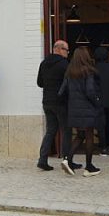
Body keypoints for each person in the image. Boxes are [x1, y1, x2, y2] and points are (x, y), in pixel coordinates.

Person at [36, 40, 81, 171]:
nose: (68, 53)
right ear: (60, 49)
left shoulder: (44, 63)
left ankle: (42, 159)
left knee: (50, 130)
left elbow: (39, 83)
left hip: (47, 102)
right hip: (61, 102)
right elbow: (69, 84)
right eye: (67, 50)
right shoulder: (64, 64)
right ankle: (68, 161)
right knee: (66, 131)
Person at [58, 47, 102, 177]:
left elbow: (61, 91)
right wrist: (97, 102)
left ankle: (67, 159)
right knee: (89, 136)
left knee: (80, 135)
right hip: (87, 108)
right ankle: (89, 167)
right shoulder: (88, 72)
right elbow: (90, 91)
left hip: (74, 109)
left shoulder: (69, 72)